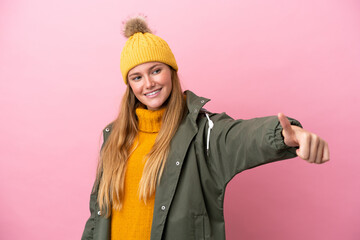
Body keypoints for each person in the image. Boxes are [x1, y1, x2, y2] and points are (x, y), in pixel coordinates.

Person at [81, 16, 329, 240]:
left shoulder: (202, 131)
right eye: (137, 77)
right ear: (130, 85)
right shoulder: (114, 137)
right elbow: (97, 215)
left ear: (171, 72)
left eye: (156, 70)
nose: (149, 83)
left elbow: (240, 136)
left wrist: (288, 135)